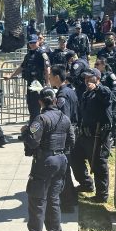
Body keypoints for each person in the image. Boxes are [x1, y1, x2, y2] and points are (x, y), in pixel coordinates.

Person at [15, 88, 75, 231]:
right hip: (61, 160)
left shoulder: (40, 119)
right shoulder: (65, 118)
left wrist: (25, 132)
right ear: (55, 100)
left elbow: (32, 142)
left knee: (37, 200)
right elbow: (71, 141)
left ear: (40, 101)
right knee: (54, 199)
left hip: (45, 162)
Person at [71, 68, 113, 203]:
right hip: (84, 135)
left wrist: (98, 87)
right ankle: (86, 184)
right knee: (74, 157)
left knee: (99, 165)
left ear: (97, 79)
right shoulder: (86, 94)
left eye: (90, 78)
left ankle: (102, 195)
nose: (86, 81)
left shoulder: (102, 91)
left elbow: (108, 97)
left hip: (98, 136)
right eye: (85, 78)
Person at [49, 65, 78, 213]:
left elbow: (63, 119)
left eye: (50, 76)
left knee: (63, 172)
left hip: (66, 137)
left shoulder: (62, 95)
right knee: (65, 171)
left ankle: (67, 204)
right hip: (71, 132)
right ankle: (72, 198)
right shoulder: (69, 91)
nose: (48, 78)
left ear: (57, 77)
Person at [8, 34, 51, 120]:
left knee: (36, 107)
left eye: (34, 42)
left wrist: (47, 82)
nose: (32, 44)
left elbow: (47, 68)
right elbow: (21, 67)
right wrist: (10, 75)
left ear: (38, 42)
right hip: (30, 84)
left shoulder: (42, 53)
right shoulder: (28, 55)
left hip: (38, 84)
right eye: (30, 43)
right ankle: (32, 124)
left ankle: (36, 126)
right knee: (31, 106)